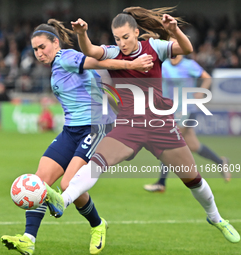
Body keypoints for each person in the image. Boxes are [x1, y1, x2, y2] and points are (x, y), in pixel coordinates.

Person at [44, 6, 240, 245]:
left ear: (136, 33)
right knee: (98, 161)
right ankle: (62, 201)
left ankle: (216, 218)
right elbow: (91, 51)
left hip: (160, 123)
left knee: (193, 179)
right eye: (117, 38)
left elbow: (187, 49)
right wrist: (82, 34)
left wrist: (174, 30)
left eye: (125, 37)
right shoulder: (113, 53)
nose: (122, 43)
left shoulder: (154, 48)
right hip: (129, 124)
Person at [1, 19, 154, 255]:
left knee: (66, 184)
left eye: (42, 47)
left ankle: (97, 225)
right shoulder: (56, 65)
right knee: (39, 181)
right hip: (71, 130)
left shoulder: (66, 57)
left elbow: (96, 61)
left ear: (55, 42)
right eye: (35, 49)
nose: (39, 53)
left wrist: (132, 63)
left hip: (95, 127)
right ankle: (28, 240)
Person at [144, 53, 231, 192]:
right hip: (170, 110)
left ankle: (161, 182)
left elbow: (207, 78)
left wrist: (200, 92)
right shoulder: (164, 65)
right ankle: (221, 162)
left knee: (168, 141)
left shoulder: (188, 65)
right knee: (194, 145)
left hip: (186, 109)